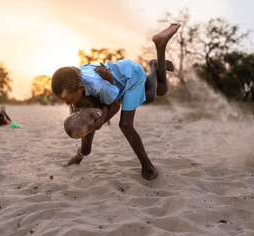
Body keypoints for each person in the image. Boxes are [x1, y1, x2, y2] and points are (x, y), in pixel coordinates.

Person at [51, 23, 181, 180]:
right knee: (160, 90)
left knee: (127, 123)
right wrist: (90, 131)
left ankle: (148, 168)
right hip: (120, 71)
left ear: (80, 88)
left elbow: (114, 104)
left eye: (68, 99)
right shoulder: (73, 80)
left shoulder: (97, 86)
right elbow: (72, 79)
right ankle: (155, 64)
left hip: (129, 76)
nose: (66, 103)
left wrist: (102, 119)